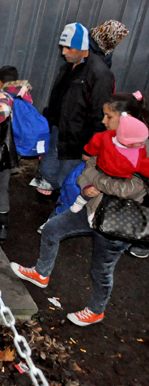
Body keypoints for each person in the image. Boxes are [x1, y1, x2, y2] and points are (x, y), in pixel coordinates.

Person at [11, 92, 149, 326]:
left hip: (118, 222)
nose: (103, 121)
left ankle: (96, 311)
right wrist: (88, 186)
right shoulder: (107, 139)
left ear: (125, 118)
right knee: (52, 229)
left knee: (102, 270)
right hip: (92, 208)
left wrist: (96, 182)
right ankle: (41, 273)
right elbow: (89, 165)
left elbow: (132, 189)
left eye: (109, 116)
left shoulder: (141, 149)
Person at [33, 23, 114, 195]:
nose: (64, 52)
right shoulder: (69, 66)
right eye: (62, 47)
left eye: (69, 48)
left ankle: (62, 207)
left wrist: (90, 147)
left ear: (82, 47)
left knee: (69, 180)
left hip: (77, 140)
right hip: (58, 131)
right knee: (49, 170)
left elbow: (101, 114)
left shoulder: (100, 73)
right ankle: (50, 196)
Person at [70, 111, 149, 222]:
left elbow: (94, 145)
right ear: (129, 142)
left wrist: (88, 152)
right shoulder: (136, 154)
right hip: (112, 181)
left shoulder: (106, 137)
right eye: (140, 142)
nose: (142, 144)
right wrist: (88, 186)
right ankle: (90, 211)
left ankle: (84, 204)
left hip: (116, 204)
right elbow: (144, 166)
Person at [0, 66, 33, 240]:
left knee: (0, 183)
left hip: (4, 148)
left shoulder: (4, 94)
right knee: (3, 181)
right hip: (16, 146)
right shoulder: (25, 94)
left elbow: (3, 113)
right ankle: (0, 219)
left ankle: (2, 224)